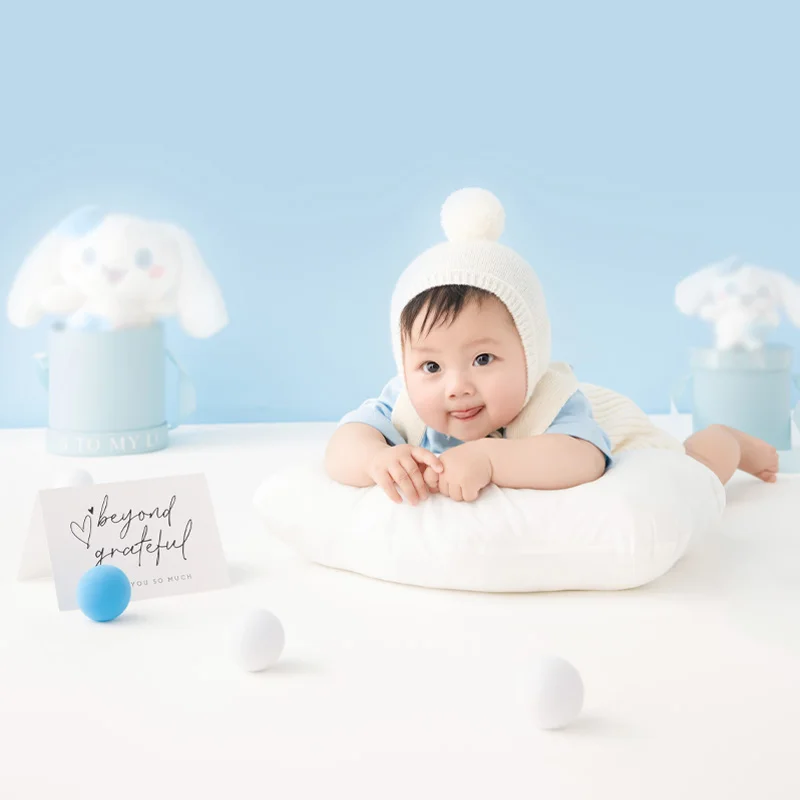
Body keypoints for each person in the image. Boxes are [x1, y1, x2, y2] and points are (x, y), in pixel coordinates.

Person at [325, 188, 779, 505]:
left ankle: (732, 441)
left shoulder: (551, 403)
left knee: (694, 475)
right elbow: (343, 444)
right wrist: (378, 458)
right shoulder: (403, 405)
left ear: (530, 352)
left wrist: (487, 457)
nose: (457, 386)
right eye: (430, 366)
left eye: (483, 359)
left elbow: (582, 461)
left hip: (617, 436)